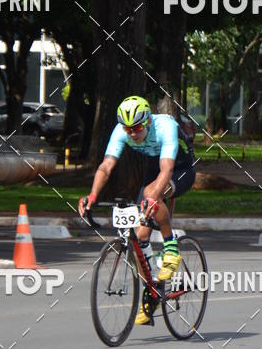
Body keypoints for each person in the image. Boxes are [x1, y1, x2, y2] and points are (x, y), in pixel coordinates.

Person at [78, 95, 196, 325]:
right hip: (154, 167)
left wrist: (154, 198)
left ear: (148, 121)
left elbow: (167, 169)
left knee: (152, 195)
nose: (132, 133)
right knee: (139, 237)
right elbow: (105, 167)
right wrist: (92, 195)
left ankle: (171, 248)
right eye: (127, 128)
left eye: (137, 127)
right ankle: (151, 291)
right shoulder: (121, 131)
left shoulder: (165, 127)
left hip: (180, 168)